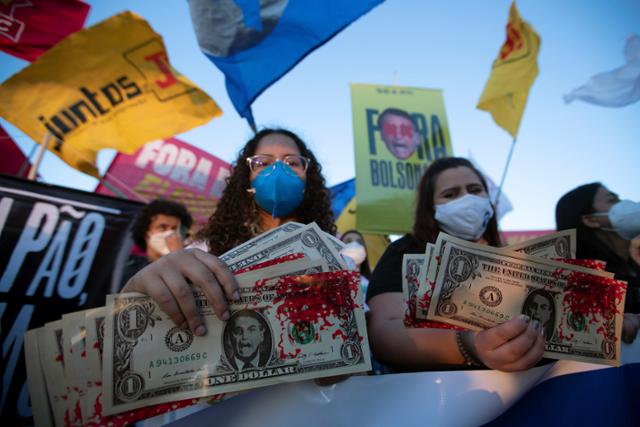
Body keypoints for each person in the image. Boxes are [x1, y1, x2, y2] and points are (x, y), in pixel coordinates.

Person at [122, 128, 336, 338]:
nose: (279, 170)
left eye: (292, 162)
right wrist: (134, 291)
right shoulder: (205, 251)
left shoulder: (335, 255)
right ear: (246, 180)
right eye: (262, 163)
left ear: (308, 180)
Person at [366, 157, 545, 372]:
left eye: (475, 189)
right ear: (430, 206)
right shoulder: (404, 252)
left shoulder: (515, 258)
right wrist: (470, 346)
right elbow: (384, 333)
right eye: (450, 194)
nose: (466, 199)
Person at [556, 183, 640, 343]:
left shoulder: (634, 270)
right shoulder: (579, 281)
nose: (626, 204)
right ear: (591, 219)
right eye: (613, 200)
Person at [120, 199, 193, 288]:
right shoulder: (126, 266)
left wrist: (178, 256)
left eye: (174, 228)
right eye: (162, 227)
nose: (170, 233)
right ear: (146, 233)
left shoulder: (190, 267)